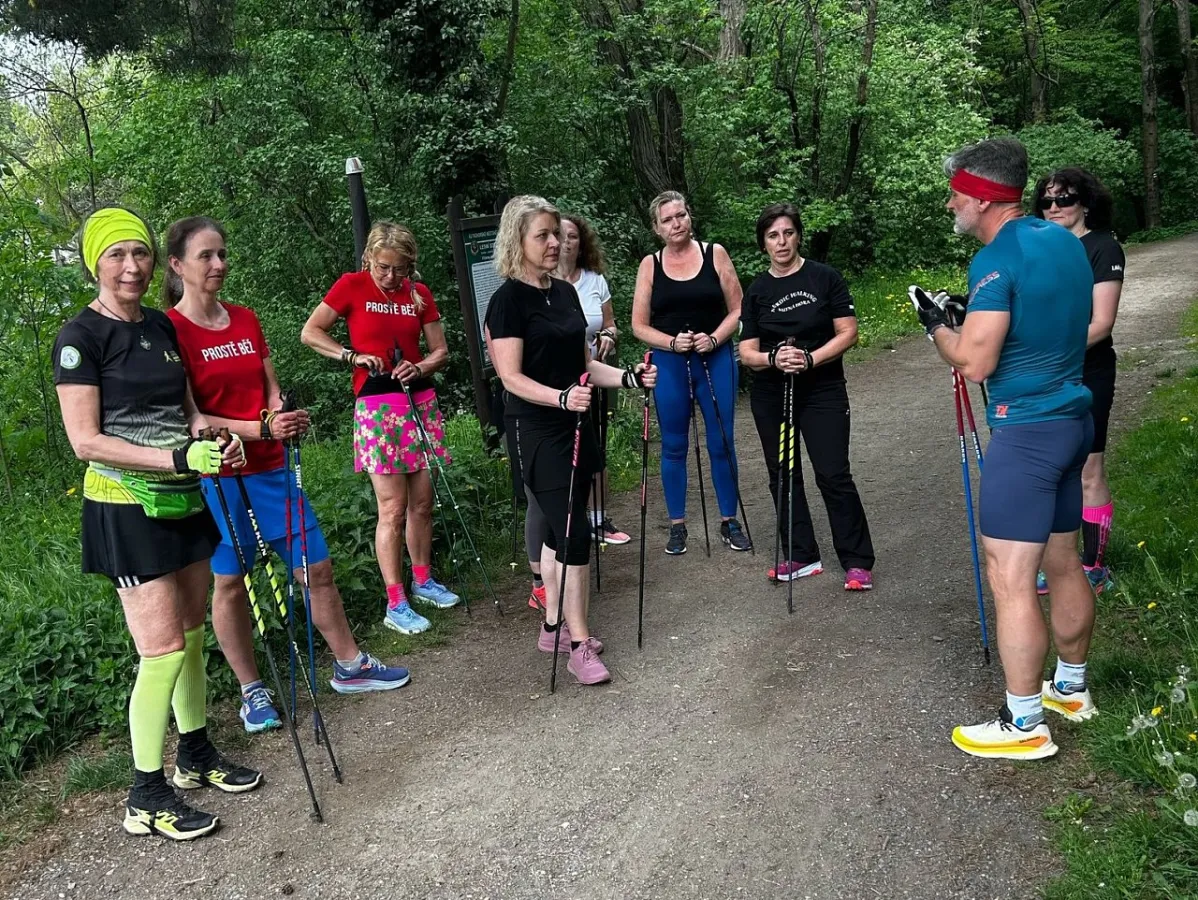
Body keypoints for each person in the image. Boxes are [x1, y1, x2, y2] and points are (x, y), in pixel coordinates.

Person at [53, 206, 258, 841]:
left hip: (183, 495)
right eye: (116, 254)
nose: (131, 266)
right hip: (124, 506)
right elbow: (85, 440)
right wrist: (176, 458)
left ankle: (194, 754)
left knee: (192, 637)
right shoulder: (80, 337)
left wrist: (209, 437)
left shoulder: (161, 326)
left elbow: (187, 410)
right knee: (162, 649)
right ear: (95, 263)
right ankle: (144, 796)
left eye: (139, 252)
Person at [164, 217, 412, 734]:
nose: (218, 264)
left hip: (272, 466)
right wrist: (259, 427)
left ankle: (349, 665)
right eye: (206, 255)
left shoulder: (244, 318)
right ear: (177, 265)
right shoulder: (172, 330)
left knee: (315, 567)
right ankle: (252, 691)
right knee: (231, 583)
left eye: (222, 254)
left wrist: (282, 414)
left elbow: (269, 386)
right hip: (220, 472)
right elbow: (192, 417)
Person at [909, 137, 1096, 761]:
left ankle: (1024, 724)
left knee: (1011, 576)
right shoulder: (1063, 242)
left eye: (956, 194)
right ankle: (1070, 688)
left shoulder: (994, 261)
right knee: (1063, 560)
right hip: (1071, 419)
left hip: (1027, 433)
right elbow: (1042, 320)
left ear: (983, 198)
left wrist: (937, 326)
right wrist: (973, 315)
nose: (950, 205)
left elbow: (975, 362)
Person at [484, 195, 657, 686]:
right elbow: (511, 377)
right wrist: (560, 398)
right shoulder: (507, 301)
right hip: (535, 428)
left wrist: (628, 378)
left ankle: (552, 628)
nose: (554, 243)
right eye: (542, 235)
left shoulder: (562, 293)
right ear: (517, 241)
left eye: (556, 234)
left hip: (574, 423)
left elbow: (585, 366)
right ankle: (579, 646)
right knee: (574, 533)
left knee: (561, 533)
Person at [302, 221, 457, 637]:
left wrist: (419, 367)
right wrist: (350, 356)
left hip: (418, 400)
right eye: (384, 267)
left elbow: (440, 351)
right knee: (392, 507)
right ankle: (395, 601)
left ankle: (423, 580)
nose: (391, 276)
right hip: (377, 406)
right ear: (369, 257)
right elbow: (311, 332)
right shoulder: (351, 286)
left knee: (422, 501)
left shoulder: (418, 293)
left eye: (400, 269)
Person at [738, 203, 876, 590]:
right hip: (772, 395)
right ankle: (801, 554)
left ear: (798, 236)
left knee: (833, 473)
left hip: (822, 391)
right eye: (772, 236)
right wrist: (773, 358)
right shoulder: (757, 291)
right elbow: (746, 352)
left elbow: (848, 332)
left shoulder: (825, 277)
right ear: (763, 244)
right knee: (783, 473)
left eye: (788, 233)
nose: (781, 242)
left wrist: (810, 358)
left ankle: (857, 560)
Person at [630, 190, 750, 555]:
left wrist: (713, 339)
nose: (676, 224)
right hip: (670, 362)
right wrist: (670, 342)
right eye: (667, 220)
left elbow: (739, 308)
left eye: (680, 215)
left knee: (721, 441)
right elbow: (638, 325)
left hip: (715, 357)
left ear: (690, 216)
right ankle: (677, 525)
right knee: (674, 444)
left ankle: (729, 521)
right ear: (657, 228)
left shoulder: (715, 253)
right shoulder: (650, 264)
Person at [1032, 168, 1124, 595]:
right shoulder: (1038, 249)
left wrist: (1049, 350)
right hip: (1042, 374)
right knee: (1049, 470)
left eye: (1065, 199)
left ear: (1085, 203)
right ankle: (1057, 564)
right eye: (1046, 201)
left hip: (1088, 371)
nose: (1054, 208)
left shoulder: (1103, 247)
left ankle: (1093, 565)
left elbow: (1101, 324)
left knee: (1088, 467)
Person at [556, 213, 630, 547]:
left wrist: (609, 337)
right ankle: (568, 520)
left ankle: (598, 519)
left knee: (595, 445)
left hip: (594, 373)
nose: (566, 243)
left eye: (573, 236)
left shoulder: (595, 280)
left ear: (581, 242)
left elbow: (611, 324)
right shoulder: (540, 284)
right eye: (560, 236)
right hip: (557, 379)